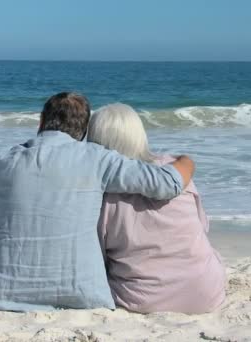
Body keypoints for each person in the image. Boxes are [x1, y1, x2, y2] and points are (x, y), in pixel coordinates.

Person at [0, 92, 196, 311]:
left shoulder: (6, 159)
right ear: (83, 131)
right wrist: (186, 161)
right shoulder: (98, 159)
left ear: (41, 120)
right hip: (82, 295)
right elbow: (167, 184)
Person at [88, 103, 226, 314]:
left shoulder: (102, 196)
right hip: (206, 293)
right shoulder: (176, 173)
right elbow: (202, 226)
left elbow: (98, 257)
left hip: (141, 300)